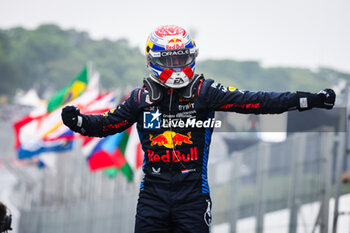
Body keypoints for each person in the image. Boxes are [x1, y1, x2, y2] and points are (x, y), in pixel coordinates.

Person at [61, 25, 336, 233]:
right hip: (152, 194)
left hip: (193, 194)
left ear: (192, 57)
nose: (177, 66)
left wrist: (307, 99)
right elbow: (109, 124)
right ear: (152, 60)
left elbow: (258, 101)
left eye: (182, 58)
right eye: (170, 60)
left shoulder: (206, 91)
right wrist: (79, 121)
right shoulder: (139, 98)